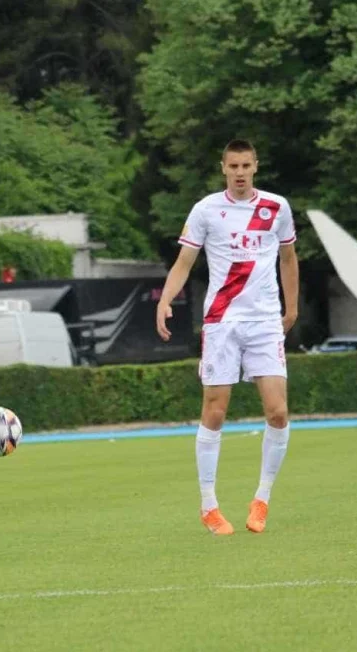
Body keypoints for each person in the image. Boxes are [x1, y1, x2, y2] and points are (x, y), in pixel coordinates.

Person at [155, 139, 299, 536]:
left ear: (256, 166)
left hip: (265, 321)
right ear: (223, 168)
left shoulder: (276, 208)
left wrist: (292, 308)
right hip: (222, 321)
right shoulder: (206, 210)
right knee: (215, 411)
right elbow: (184, 261)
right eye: (232, 166)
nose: (239, 172)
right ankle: (209, 506)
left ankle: (262, 499)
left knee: (278, 412)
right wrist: (165, 300)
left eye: (245, 165)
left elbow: (288, 258)